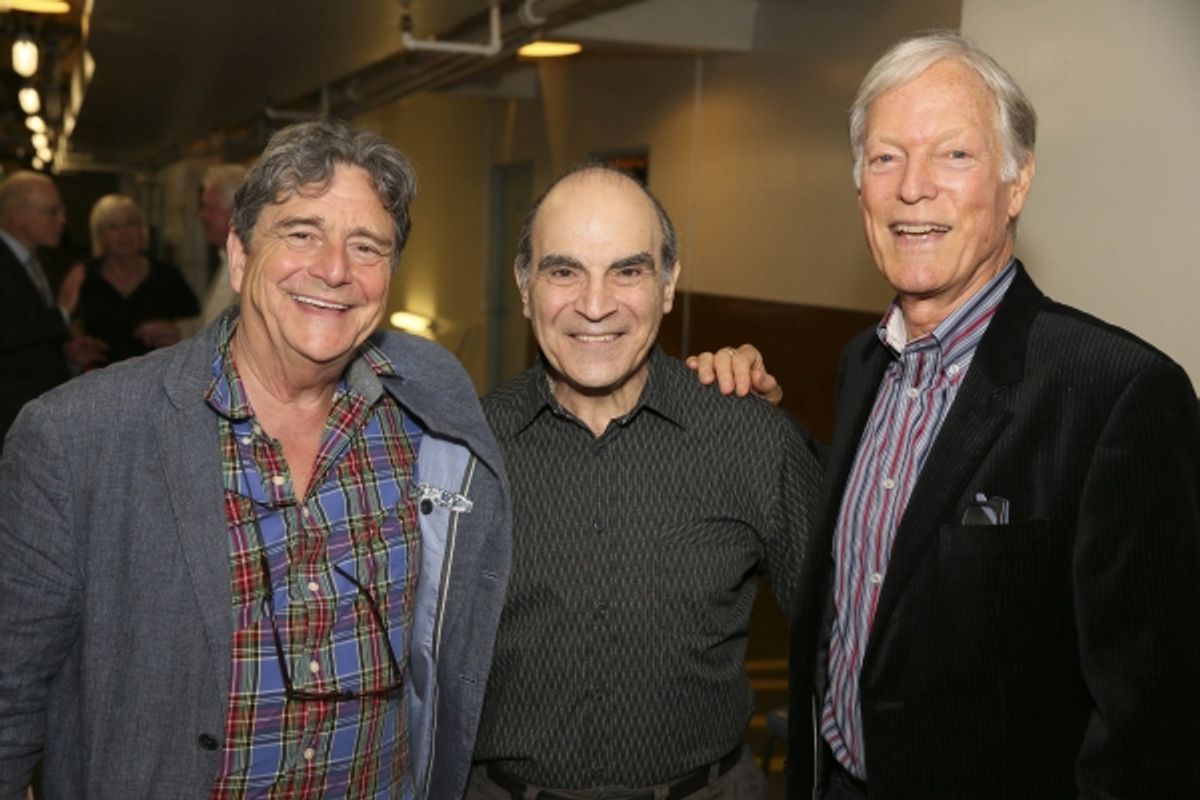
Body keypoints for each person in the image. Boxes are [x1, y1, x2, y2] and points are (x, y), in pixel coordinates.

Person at [0, 120, 512, 798]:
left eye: (367, 246)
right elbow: (9, 698)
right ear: (239, 257)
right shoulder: (78, 438)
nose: (334, 268)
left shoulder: (429, 409)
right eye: (301, 233)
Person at [777, 32, 1200, 799]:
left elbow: (1152, 723)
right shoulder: (861, 365)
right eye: (885, 157)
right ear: (860, 186)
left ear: (1017, 184)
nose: (913, 188)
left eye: (955, 155)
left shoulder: (1119, 396)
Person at [468, 165, 822, 799]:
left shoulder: (750, 438)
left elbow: (843, 641)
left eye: (628, 271)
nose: (596, 304)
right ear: (525, 288)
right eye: (563, 270)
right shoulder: (467, 450)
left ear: (668, 284)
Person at [0, 171, 105, 451]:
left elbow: (32, 335)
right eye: (51, 212)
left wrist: (68, 353)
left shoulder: (42, 261)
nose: (62, 220)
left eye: (62, 211)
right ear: (16, 215)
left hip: (38, 415)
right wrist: (60, 313)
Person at [74, 194, 200, 365]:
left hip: (158, 378)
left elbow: (196, 326)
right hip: (99, 380)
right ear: (100, 236)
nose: (124, 234)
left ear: (142, 230)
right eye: (113, 227)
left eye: (130, 224)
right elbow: (69, 325)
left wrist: (173, 331)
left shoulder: (168, 276)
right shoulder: (84, 277)